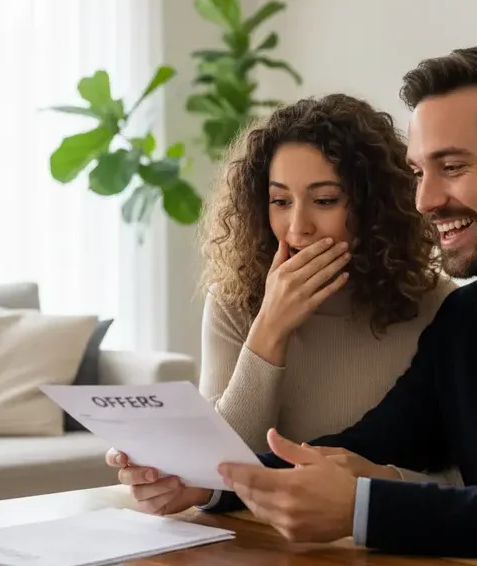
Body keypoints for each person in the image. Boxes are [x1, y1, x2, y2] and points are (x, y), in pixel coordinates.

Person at [107, 46, 477, 566]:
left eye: (451, 167)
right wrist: (204, 486)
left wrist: (362, 509)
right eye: (420, 172)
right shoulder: (465, 317)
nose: (425, 200)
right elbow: (370, 445)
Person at [192, 93, 459, 481]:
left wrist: (366, 489)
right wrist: (269, 330)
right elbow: (215, 469)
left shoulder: (438, 305)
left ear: (373, 207)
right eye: (280, 201)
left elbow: (459, 479)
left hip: (387, 535)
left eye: (325, 200)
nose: (299, 226)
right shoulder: (233, 301)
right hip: (262, 533)